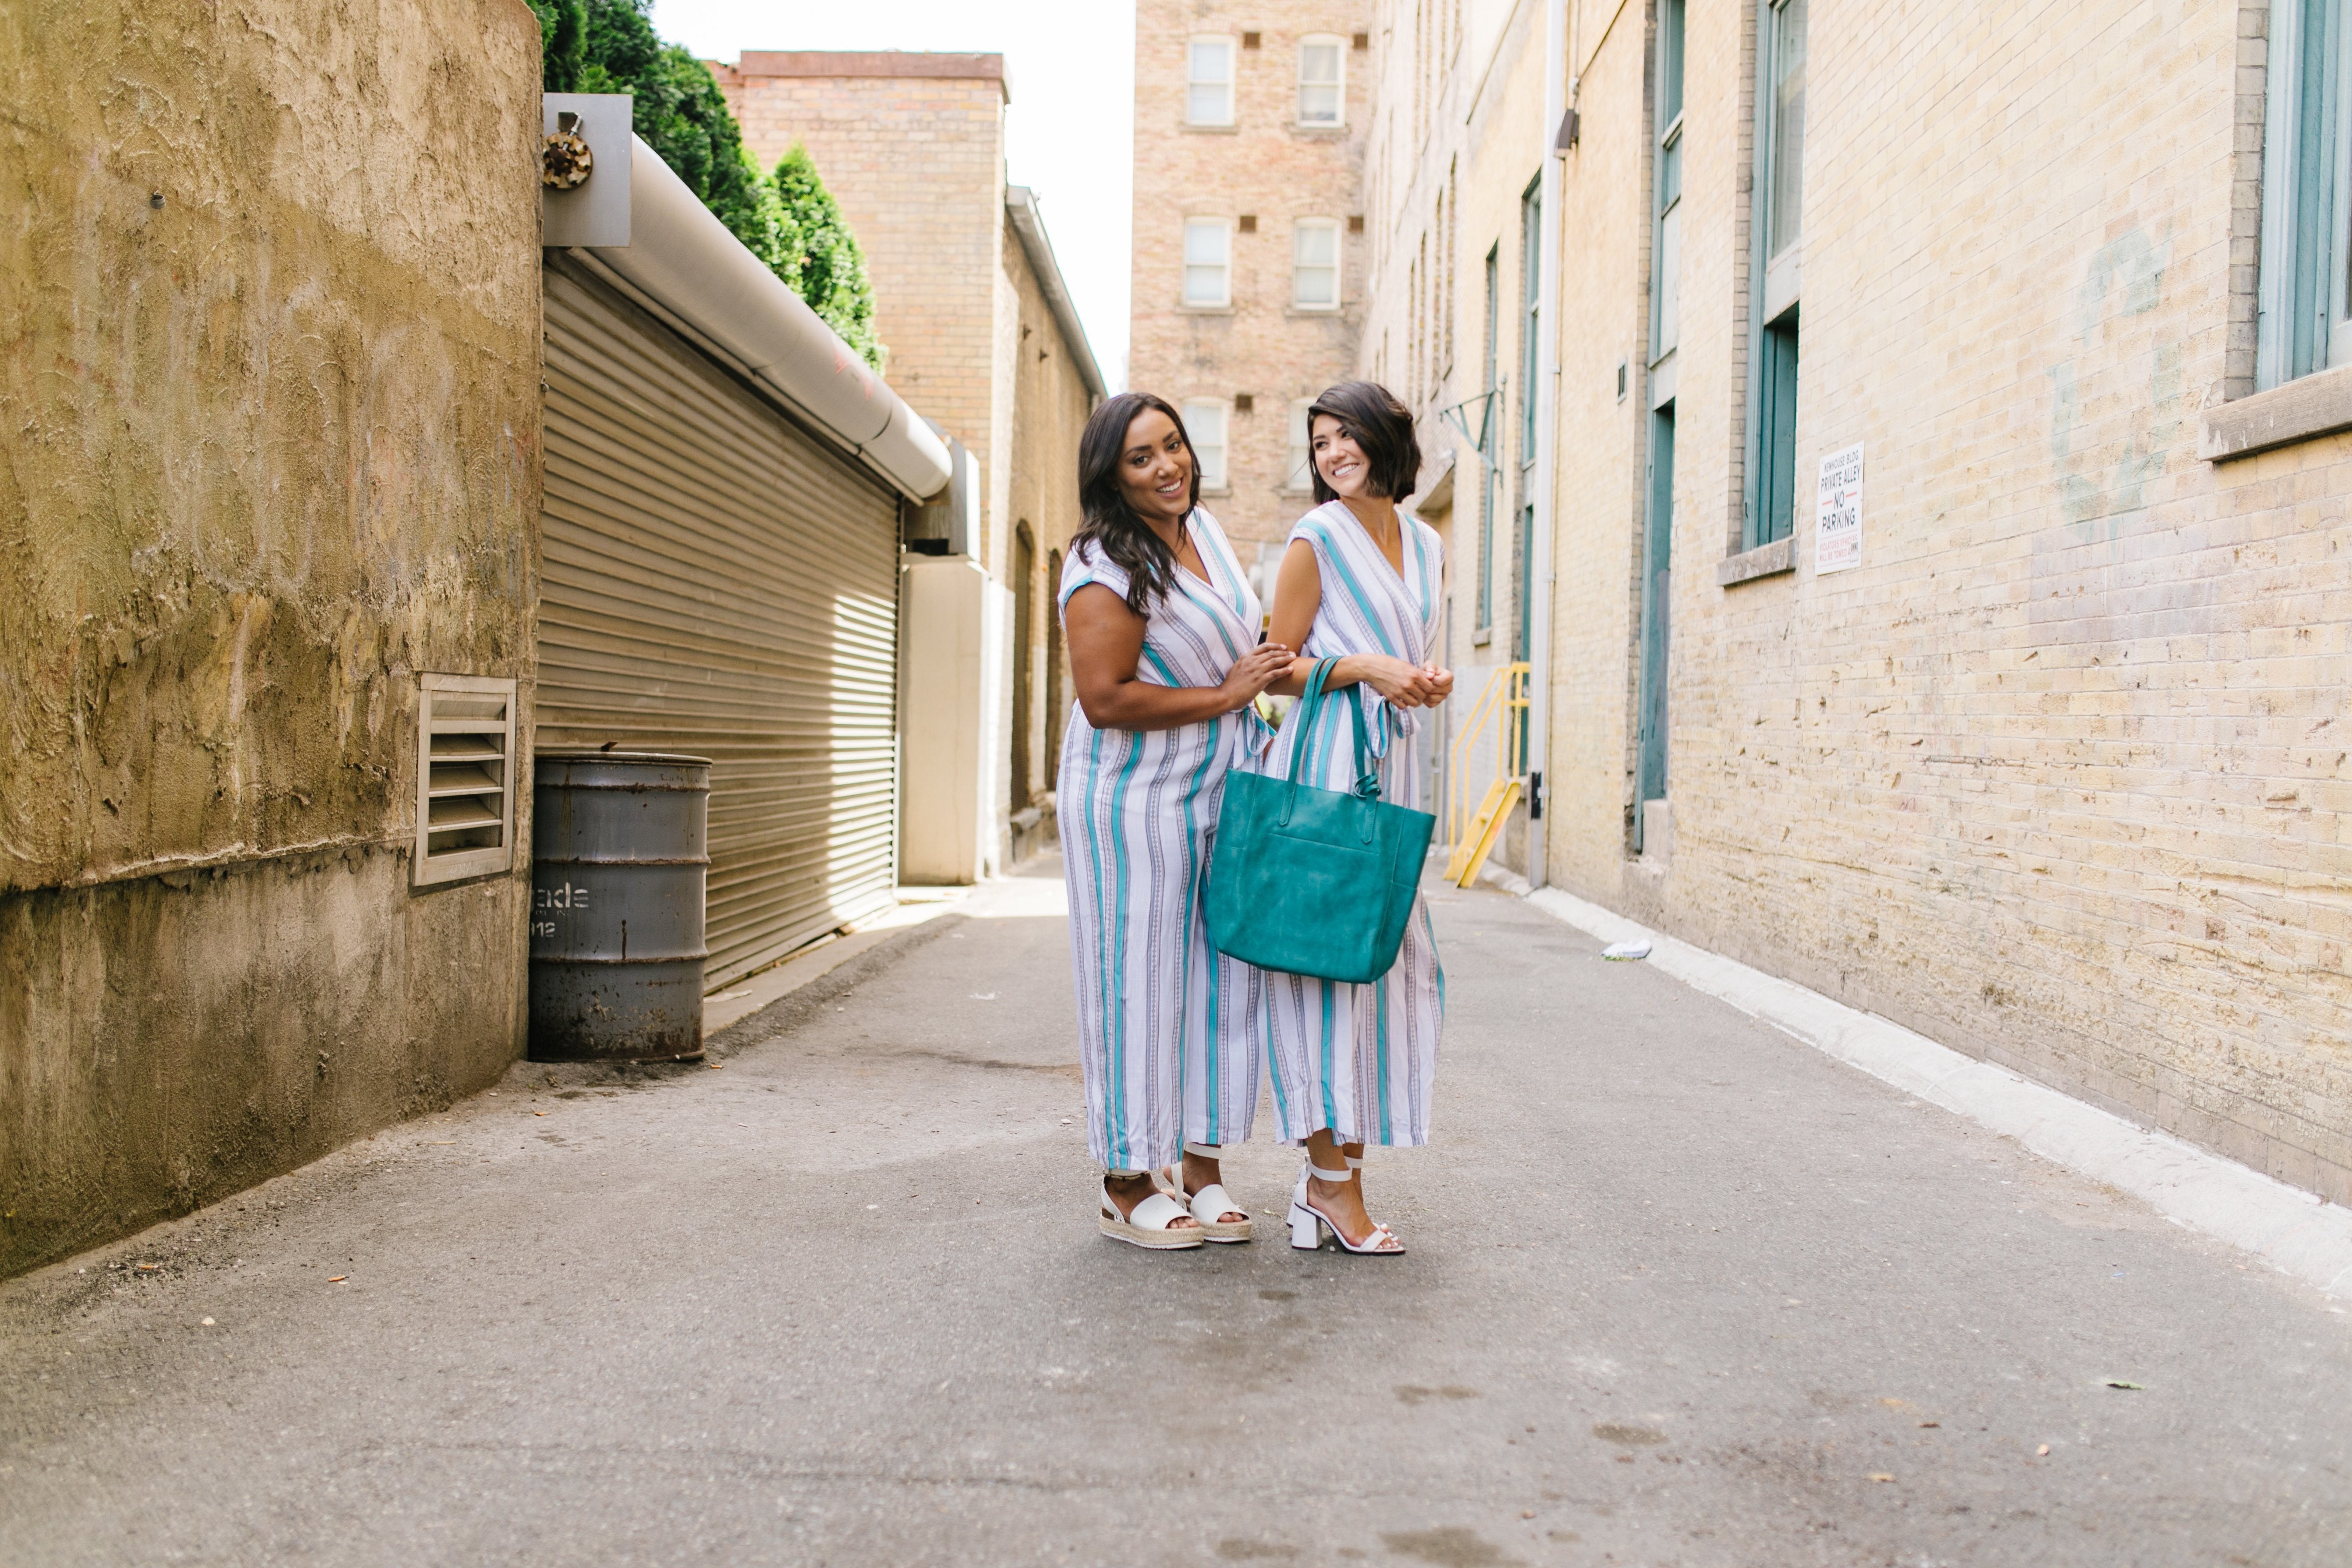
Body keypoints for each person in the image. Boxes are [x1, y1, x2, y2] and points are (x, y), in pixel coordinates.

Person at [1059, 392, 1293, 1249]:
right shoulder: (1101, 565)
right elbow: (1106, 697)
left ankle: (1201, 1169)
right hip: (1132, 803)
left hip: (1222, 791)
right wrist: (1227, 694)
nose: (1169, 467)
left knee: (1221, 985)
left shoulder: (1211, 537)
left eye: (1174, 446)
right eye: (1142, 458)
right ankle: (1127, 1180)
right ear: (1112, 478)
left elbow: (1250, 653)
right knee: (1137, 986)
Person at [1253, 381, 1454, 1255]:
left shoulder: (1428, 544)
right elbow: (1271, 667)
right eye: (1320, 441)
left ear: (1385, 438)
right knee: (1325, 972)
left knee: (1384, 974)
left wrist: (1420, 679)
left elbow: (1415, 655)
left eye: (1346, 436)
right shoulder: (1316, 539)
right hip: (1326, 770)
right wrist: (1369, 667)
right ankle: (1335, 1187)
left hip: (1393, 771)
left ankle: (1324, 1187)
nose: (1333, 453)